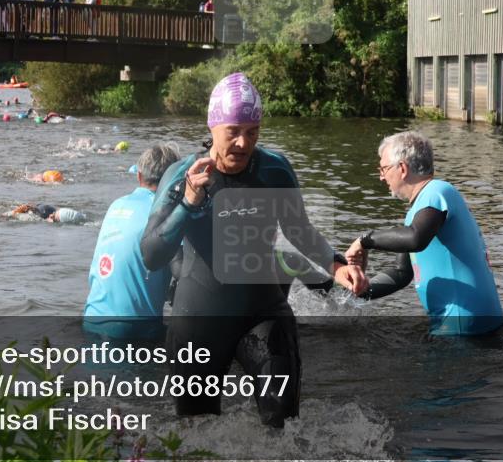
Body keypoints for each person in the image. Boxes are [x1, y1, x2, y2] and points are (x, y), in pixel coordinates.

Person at [140, 73, 366, 428]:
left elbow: (300, 231)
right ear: (213, 126)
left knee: (284, 426)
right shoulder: (182, 173)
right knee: (199, 438)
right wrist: (187, 203)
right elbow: (151, 254)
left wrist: (336, 267)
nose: (243, 143)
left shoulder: (274, 170)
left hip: (263, 313)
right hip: (199, 319)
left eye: (253, 131)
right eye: (233, 131)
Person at [345, 131, 503, 336]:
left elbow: (415, 239)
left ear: (402, 168)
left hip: (463, 329)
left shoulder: (437, 191)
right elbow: (402, 273)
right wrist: (358, 290)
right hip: (462, 327)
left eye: (384, 169)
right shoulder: (420, 211)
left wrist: (364, 241)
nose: (381, 177)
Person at [84, 143, 182, 340]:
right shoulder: (169, 213)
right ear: (174, 180)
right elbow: (185, 271)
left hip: (92, 319)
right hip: (135, 328)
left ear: (139, 176)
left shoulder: (116, 205)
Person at [5, 203, 86, 224]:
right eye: (53, 214)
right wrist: (15, 212)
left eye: (53, 218)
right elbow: (26, 207)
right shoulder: (42, 214)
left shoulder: (46, 216)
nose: (51, 216)